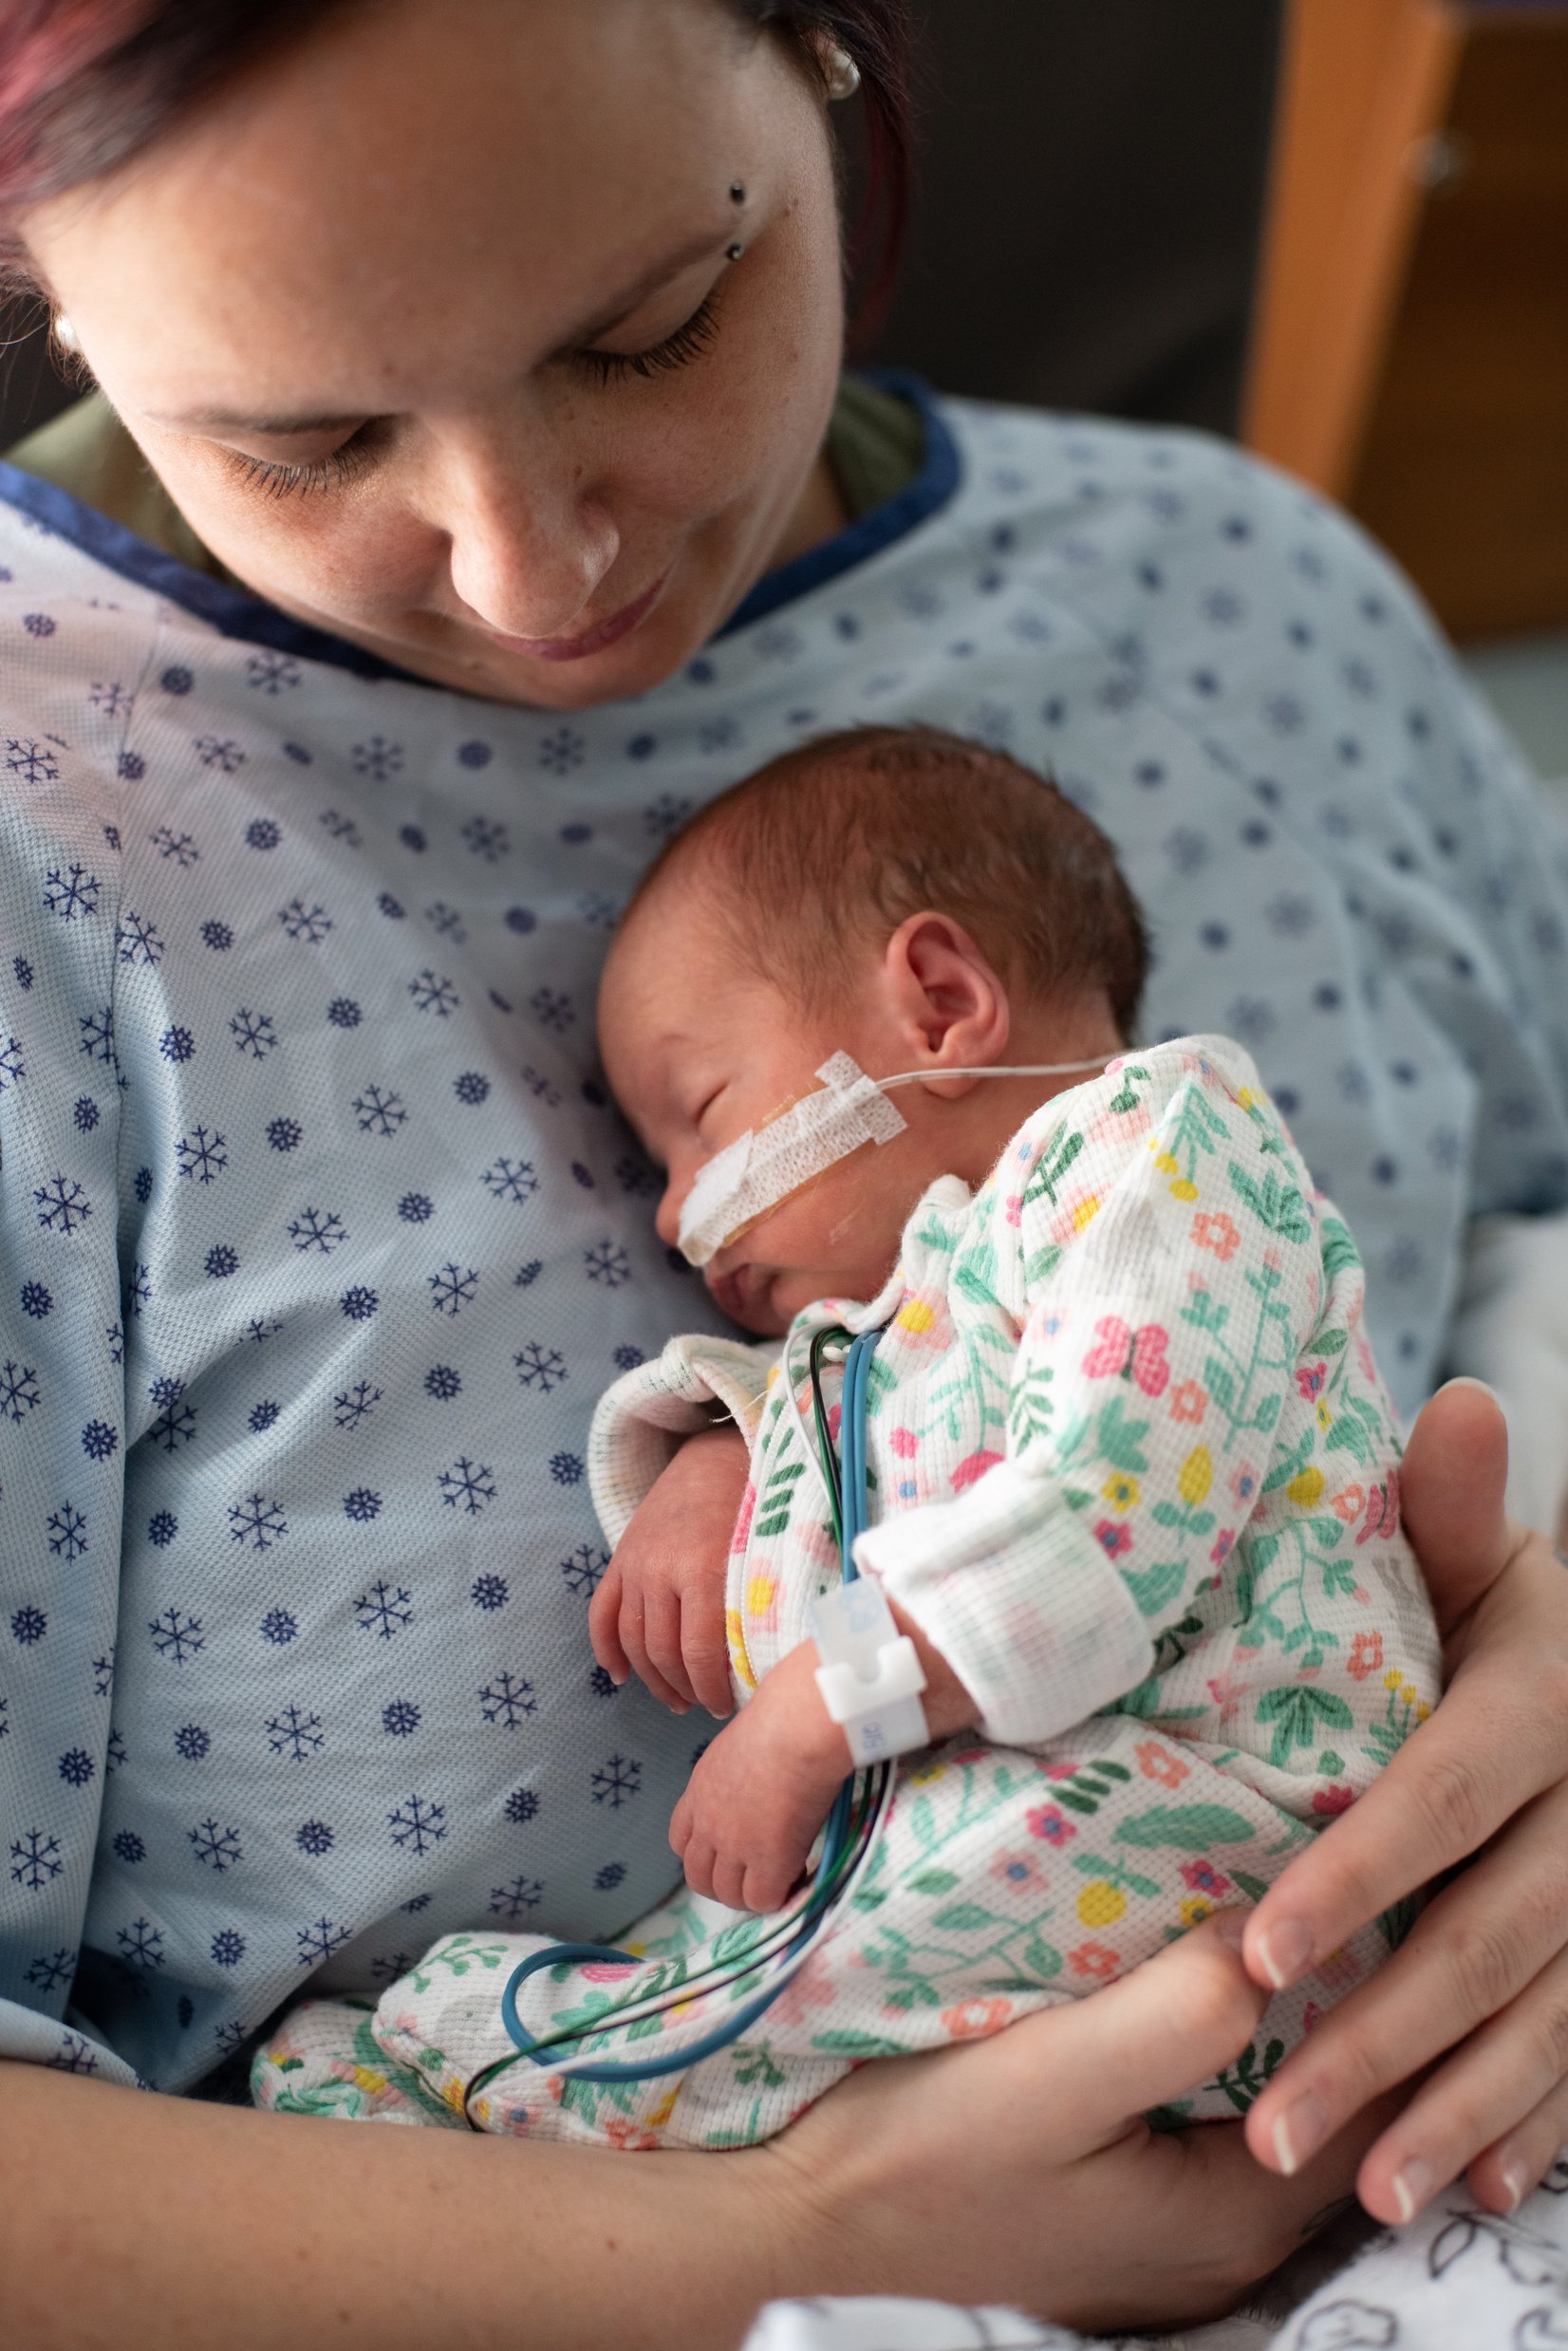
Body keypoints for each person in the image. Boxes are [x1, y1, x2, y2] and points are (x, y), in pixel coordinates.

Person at [1, 2, 1567, 2339]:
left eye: (650, 331)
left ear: (827, 53)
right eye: (304, 437)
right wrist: (779, 2256)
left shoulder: (1246, 610)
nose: (536, 576)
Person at [252, 726, 1442, 2150]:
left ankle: (540, 2088)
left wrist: (817, 1710)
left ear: (938, 1005)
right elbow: (884, 1416)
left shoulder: (1161, 1153)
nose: (671, 1211)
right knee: (831, 1922)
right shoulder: (936, 1283)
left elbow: (1099, 1515)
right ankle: (569, 2067)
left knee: (847, 1940)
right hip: (1086, 1823)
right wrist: (715, 1456)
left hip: (1246, 1821)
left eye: (702, 1117)